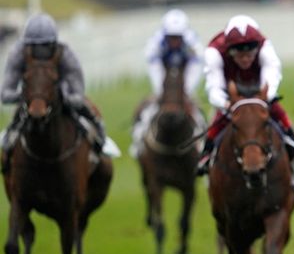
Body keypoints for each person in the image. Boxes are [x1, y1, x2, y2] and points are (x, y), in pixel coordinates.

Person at [196, 14, 294, 192]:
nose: (246, 58)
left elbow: (272, 78)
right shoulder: (214, 52)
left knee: (278, 114)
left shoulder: (265, 46)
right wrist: (227, 105)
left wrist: (263, 99)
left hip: (259, 93)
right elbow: (213, 89)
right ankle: (206, 155)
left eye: (250, 53)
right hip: (231, 98)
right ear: (228, 50)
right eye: (238, 54)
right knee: (218, 123)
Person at [1, 13, 118, 173]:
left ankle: (100, 138)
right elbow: (5, 93)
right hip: (30, 95)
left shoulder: (65, 53)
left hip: (59, 91)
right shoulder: (18, 53)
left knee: (85, 109)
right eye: (35, 47)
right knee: (12, 133)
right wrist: (25, 96)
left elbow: (78, 91)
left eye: (45, 46)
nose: (40, 52)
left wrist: (65, 97)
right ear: (27, 45)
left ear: (53, 44)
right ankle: (8, 152)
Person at [131, 9, 206, 157]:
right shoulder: (155, 43)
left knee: (197, 112)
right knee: (149, 109)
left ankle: (202, 144)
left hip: (185, 75)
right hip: (163, 76)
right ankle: (139, 142)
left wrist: (187, 90)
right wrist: (161, 90)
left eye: (178, 37)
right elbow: (154, 67)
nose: (174, 41)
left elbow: (196, 67)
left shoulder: (193, 44)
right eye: (171, 37)